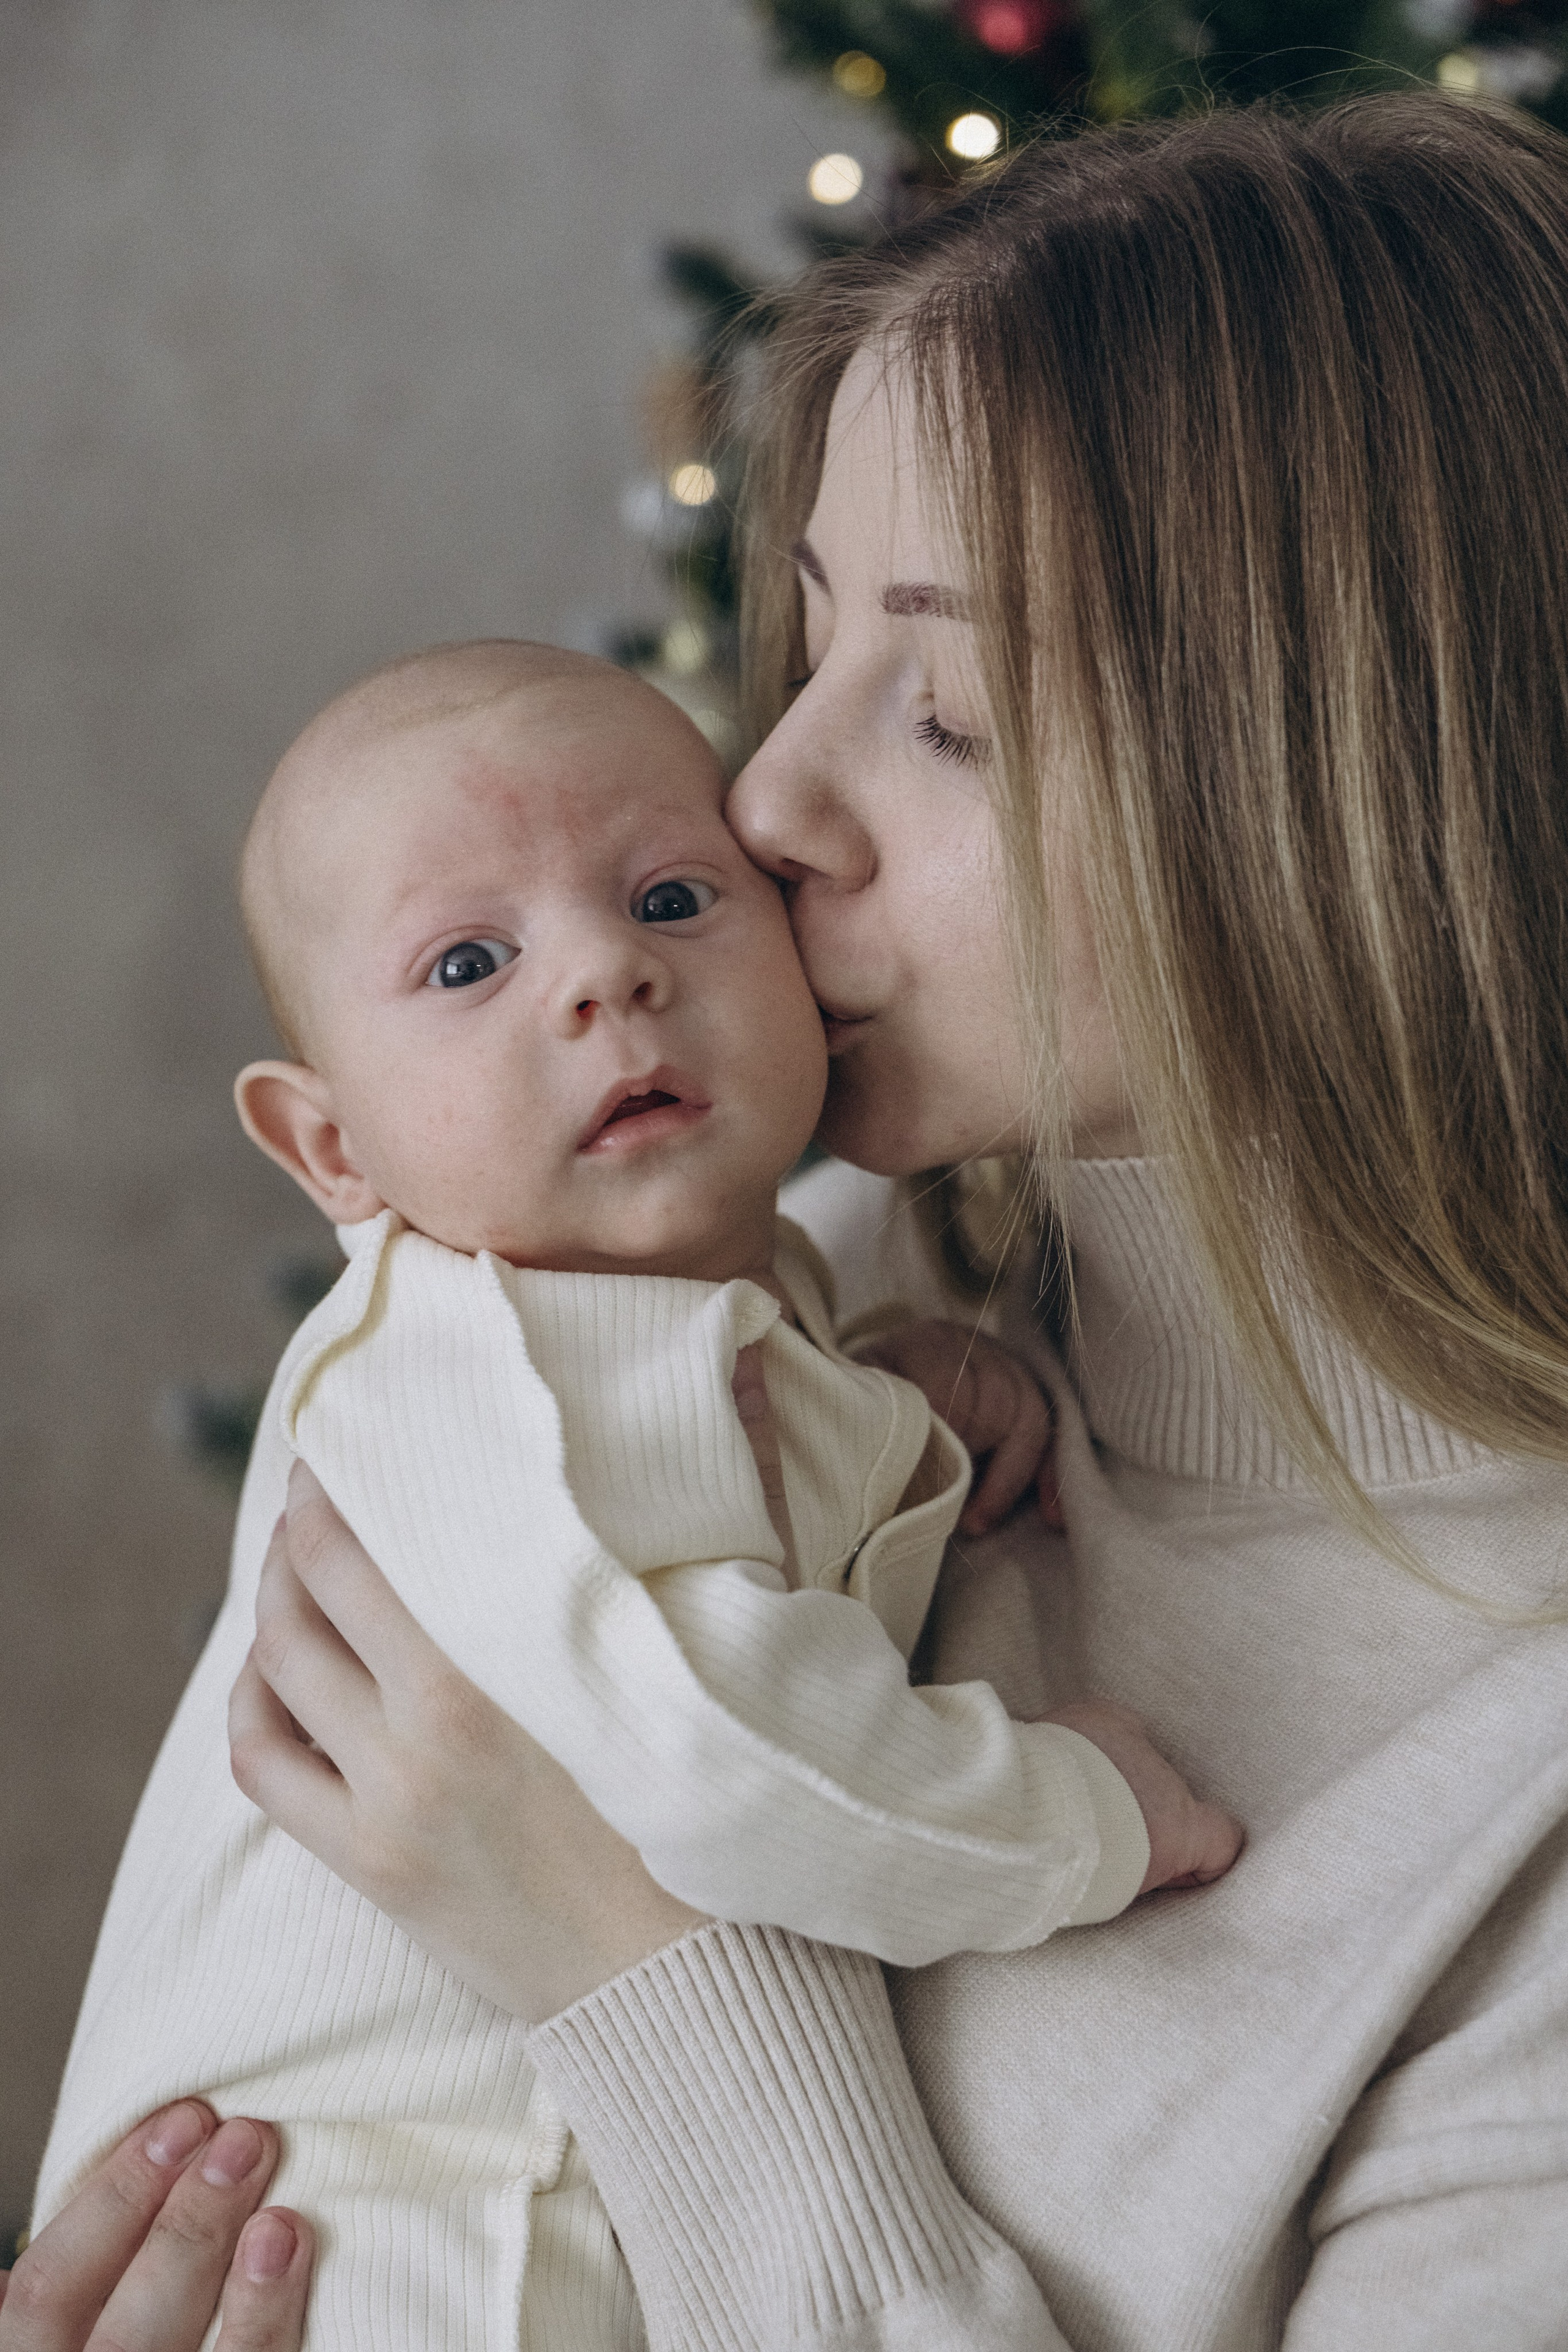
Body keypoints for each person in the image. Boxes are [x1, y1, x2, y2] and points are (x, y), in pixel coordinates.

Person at [32, 87, 1568, 2350]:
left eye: (940, 712)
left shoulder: (1514, 1797)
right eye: (814, 640)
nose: (763, 799)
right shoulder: (724, 1295)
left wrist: (640, 1970)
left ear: (1347, 785)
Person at [32, 642, 1235, 2347]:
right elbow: (715, 1753)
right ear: (334, 1155)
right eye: (468, 961)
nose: (604, 971)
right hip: (374, 2255)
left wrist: (883, 1408)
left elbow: (676, 1529)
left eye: (673, 897)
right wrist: (1074, 1813)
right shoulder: (502, 1364)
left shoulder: (671, 1316)